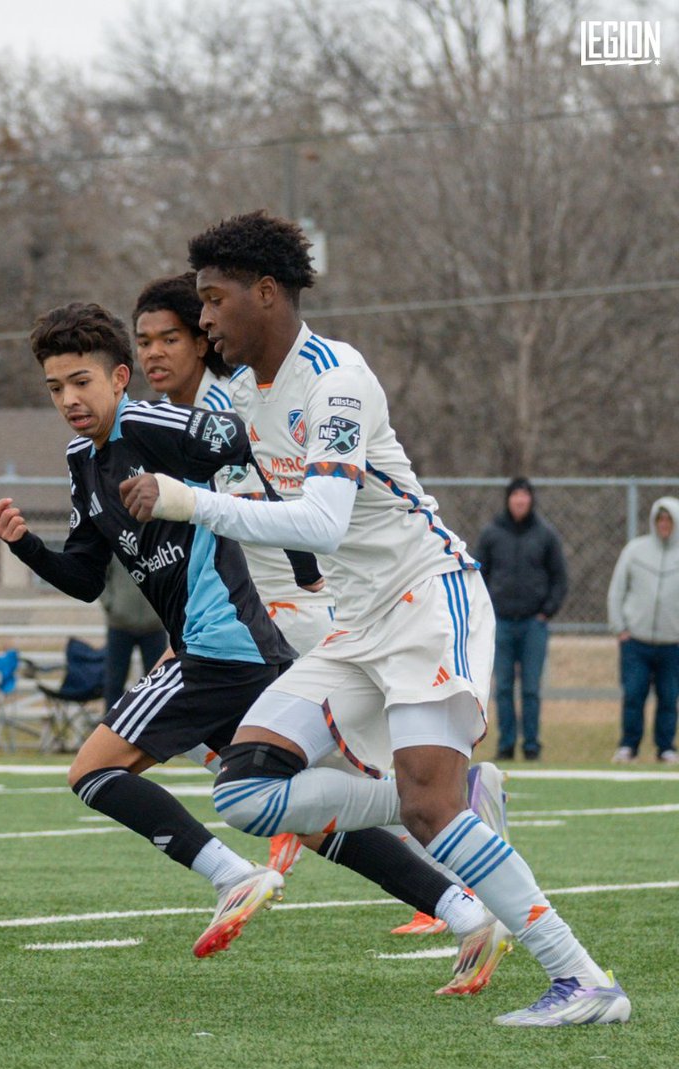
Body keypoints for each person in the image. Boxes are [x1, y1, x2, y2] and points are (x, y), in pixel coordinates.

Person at [121, 211, 629, 1026]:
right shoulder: (248, 392)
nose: (203, 318)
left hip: (430, 600)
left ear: (266, 292)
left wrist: (186, 500)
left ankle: (585, 982)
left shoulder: (338, 379)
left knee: (433, 809)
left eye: (213, 301)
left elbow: (322, 520)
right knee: (247, 788)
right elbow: (203, 431)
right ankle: (455, 795)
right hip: (358, 625)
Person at [0, 302, 498, 981]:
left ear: (118, 378)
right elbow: (86, 577)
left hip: (218, 645)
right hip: (241, 650)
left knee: (91, 771)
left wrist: (205, 479)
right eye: (55, 388)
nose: (69, 399)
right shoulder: (85, 462)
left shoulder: (147, 421)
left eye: (81, 381)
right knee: (316, 820)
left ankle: (232, 875)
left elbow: (229, 435)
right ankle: (466, 912)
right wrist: (25, 546)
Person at [132, 271, 502, 968]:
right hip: (258, 621)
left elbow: (308, 520)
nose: (158, 354)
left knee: (271, 778)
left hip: (301, 616)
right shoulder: (194, 420)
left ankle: (450, 859)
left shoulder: (236, 404)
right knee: (264, 778)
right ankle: (453, 875)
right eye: (144, 341)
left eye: (174, 335)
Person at [475, 478, 568, 761]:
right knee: (502, 687)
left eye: (524, 495)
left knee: (530, 688)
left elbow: (559, 578)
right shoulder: (492, 534)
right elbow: (479, 576)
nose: (520, 500)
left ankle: (531, 746)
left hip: (532, 624)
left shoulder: (545, 535)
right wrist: (487, 611)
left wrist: (546, 611)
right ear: (508, 499)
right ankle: (505, 744)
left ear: (531, 500)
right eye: (515, 495)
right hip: (501, 622)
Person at [607, 496, 679, 765]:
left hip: (672, 643)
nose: (664, 525)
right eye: (660, 519)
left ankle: (665, 748)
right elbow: (617, 590)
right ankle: (628, 746)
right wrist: (620, 628)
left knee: (669, 697)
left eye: (669, 520)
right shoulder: (635, 551)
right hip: (635, 641)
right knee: (634, 694)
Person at [100, 555, 167, 708]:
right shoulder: (114, 539)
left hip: (154, 626)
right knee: (114, 684)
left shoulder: (160, 541)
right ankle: (112, 729)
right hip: (120, 625)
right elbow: (100, 574)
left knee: (158, 685)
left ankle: (155, 729)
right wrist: (110, 604)